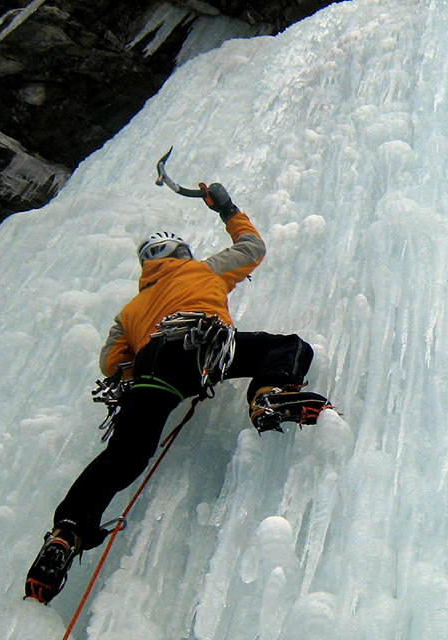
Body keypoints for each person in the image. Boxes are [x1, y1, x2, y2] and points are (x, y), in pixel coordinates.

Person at [24, 183, 329, 604]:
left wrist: (147, 366)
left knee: (124, 455)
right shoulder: (202, 270)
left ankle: (66, 533)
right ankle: (270, 394)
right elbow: (252, 247)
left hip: (151, 368)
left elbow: (111, 363)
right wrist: (227, 208)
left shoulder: (130, 310)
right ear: (180, 254)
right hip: (202, 342)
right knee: (289, 346)